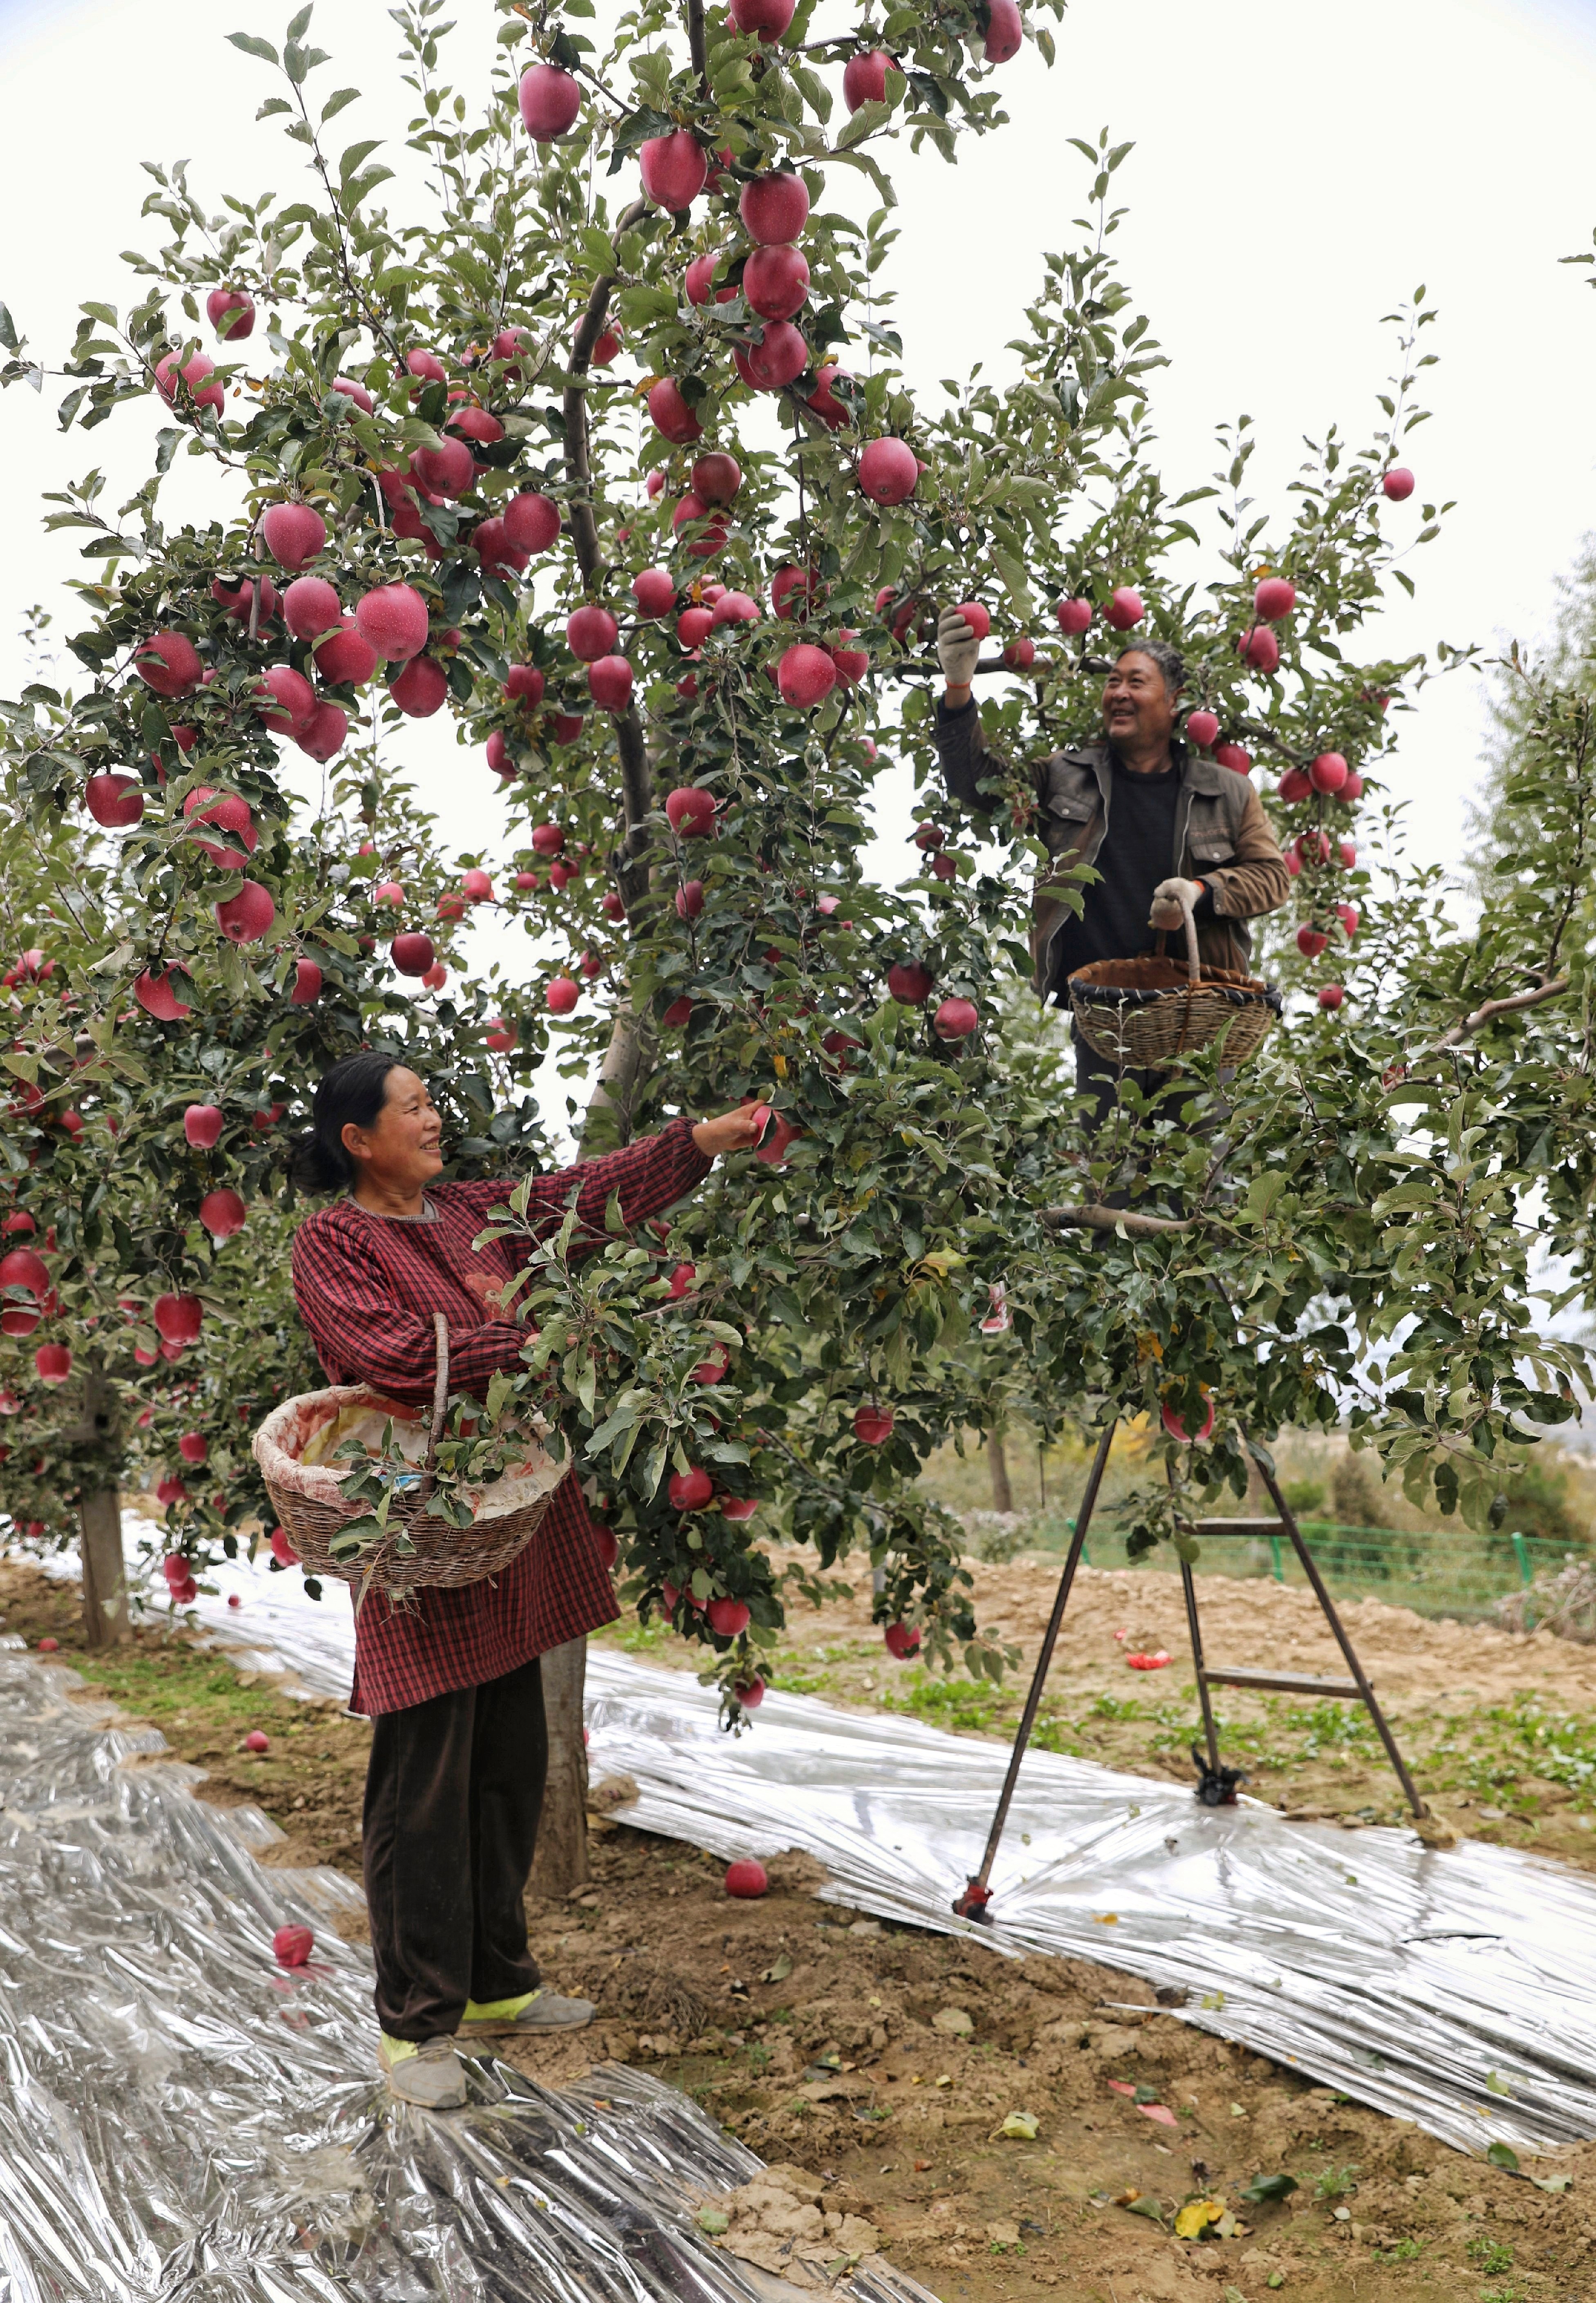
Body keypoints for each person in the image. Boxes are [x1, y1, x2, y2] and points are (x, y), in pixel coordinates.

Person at [288, 1053, 763, 2108]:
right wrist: (536, 1339)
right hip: (420, 1531)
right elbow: (396, 1356)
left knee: (508, 1761)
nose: (434, 1118)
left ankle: (498, 1982)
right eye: (414, 1106)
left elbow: (579, 1196)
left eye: (432, 1101)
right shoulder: (334, 1240)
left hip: (502, 1523)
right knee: (423, 1781)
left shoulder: (472, 1213)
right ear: (358, 1139)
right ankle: (415, 2025)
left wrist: (700, 1142)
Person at [933, 611, 1289, 1115]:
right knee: (1108, 1161)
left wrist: (1199, 892)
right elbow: (979, 786)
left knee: (1200, 1161)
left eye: (1136, 682)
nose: (1118, 692)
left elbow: (1273, 877)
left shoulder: (1227, 791)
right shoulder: (1064, 775)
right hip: (1104, 1020)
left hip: (1199, 1022)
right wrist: (958, 689)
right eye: (1113, 681)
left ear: (1174, 701)